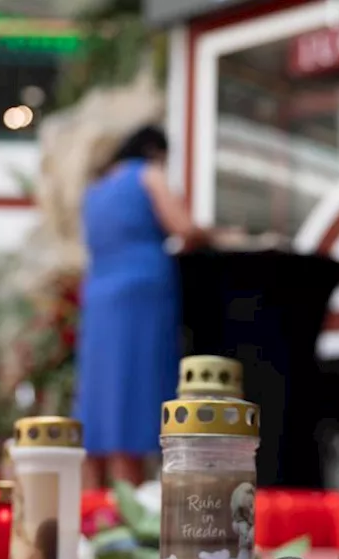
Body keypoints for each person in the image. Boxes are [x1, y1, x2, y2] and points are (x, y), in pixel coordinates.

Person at [76, 126, 206, 490]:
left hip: (100, 293)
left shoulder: (95, 191)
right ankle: (128, 494)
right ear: (155, 151)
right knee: (135, 385)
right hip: (141, 291)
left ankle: (95, 501)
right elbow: (184, 228)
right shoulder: (149, 175)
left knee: (101, 391)